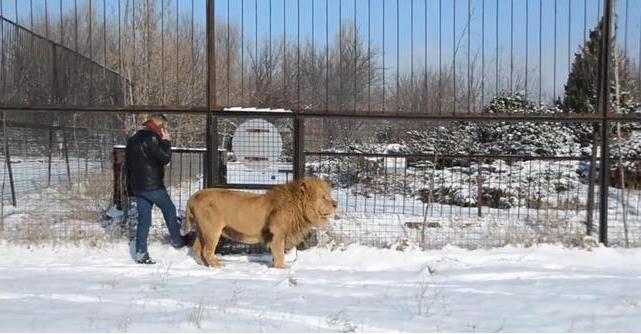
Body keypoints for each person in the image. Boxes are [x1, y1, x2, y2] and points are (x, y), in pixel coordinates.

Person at [125, 114, 195, 264]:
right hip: (153, 186)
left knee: (144, 220)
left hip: (138, 187)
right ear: (160, 126)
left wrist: (129, 187)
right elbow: (164, 158)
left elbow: (128, 165)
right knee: (169, 209)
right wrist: (167, 142)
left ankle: (141, 253)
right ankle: (177, 241)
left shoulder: (133, 138)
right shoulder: (152, 138)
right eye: (164, 127)